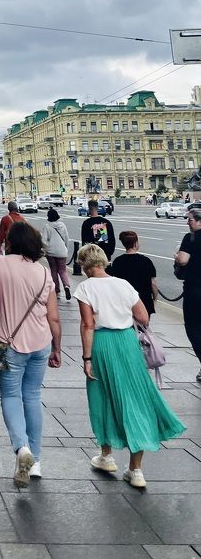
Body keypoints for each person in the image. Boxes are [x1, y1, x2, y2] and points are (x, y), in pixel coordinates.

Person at [75, 244, 185, 489]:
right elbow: (143, 318)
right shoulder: (123, 284)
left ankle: (106, 456)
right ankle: (136, 470)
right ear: (104, 261)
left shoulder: (85, 288)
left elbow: (87, 325)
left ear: (84, 264)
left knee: (102, 398)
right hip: (127, 343)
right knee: (136, 398)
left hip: (102, 345)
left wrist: (87, 358)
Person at [0, 221, 62, 486]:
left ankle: (21, 448)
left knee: (11, 395)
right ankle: (36, 461)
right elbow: (53, 316)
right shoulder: (43, 272)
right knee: (33, 396)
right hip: (41, 343)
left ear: (10, 241)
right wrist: (57, 348)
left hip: (10, 342)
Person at [174, 209, 201, 381]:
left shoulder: (190, 238)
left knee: (193, 328)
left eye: (190, 220)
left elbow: (183, 260)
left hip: (195, 291)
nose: (187, 223)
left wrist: (176, 256)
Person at [109, 231, 157, 318]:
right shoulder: (146, 261)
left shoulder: (118, 261)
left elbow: (114, 282)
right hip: (143, 300)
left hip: (124, 301)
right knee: (143, 328)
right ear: (135, 244)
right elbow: (153, 283)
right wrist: (155, 298)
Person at [41, 208, 71, 300]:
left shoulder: (47, 226)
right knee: (63, 270)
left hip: (51, 252)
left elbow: (44, 240)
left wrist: (46, 249)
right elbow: (66, 238)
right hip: (62, 251)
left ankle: (57, 291)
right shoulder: (62, 225)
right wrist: (66, 248)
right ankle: (66, 286)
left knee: (53, 270)